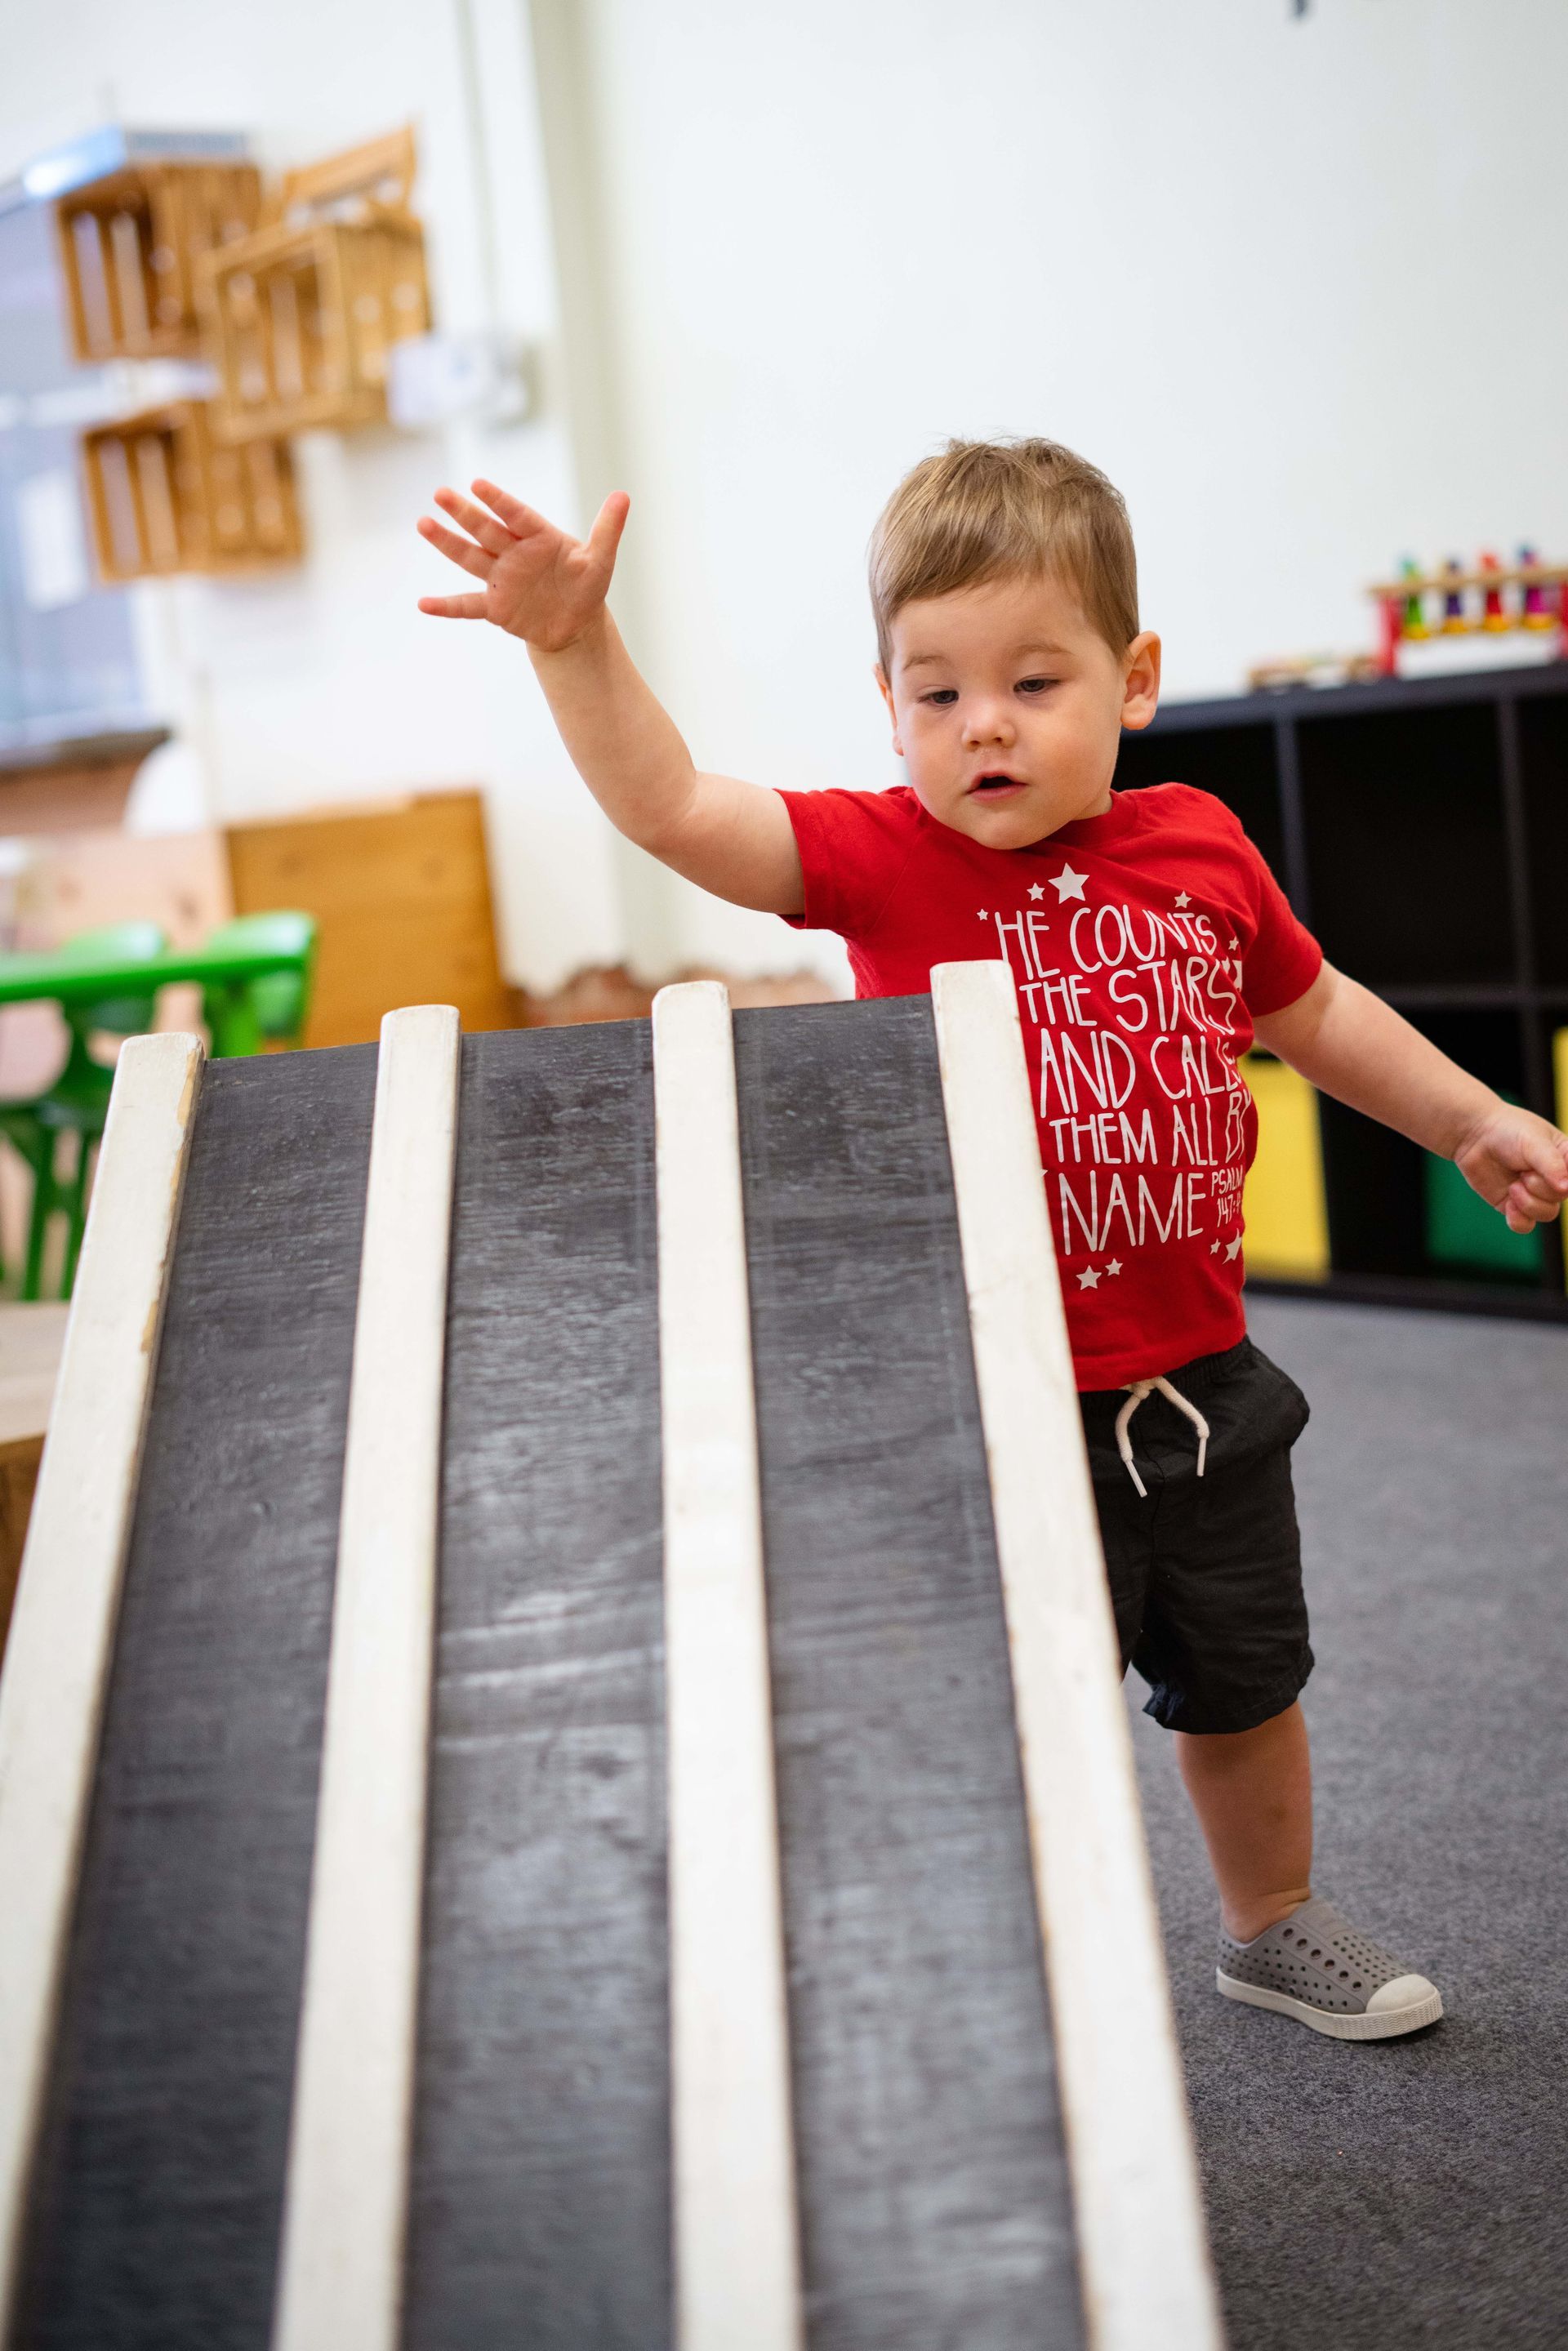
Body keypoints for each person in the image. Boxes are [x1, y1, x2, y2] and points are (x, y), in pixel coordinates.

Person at [416, 436, 1568, 2040]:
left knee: (1246, 1683)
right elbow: (675, 809)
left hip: (1201, 1381)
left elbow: (1314, 1012)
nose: (986, 725)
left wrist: (1467, 1120)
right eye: (937, 692)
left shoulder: (1201, 850)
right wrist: (572, 642)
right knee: (998, 1713)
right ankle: (991, 1968)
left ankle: (1272, 1923)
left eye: (1034, 679)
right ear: (888, 704)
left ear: (1135, 678)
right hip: (980, 1397)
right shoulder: (882, 861)